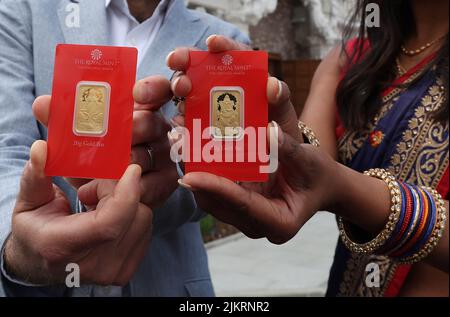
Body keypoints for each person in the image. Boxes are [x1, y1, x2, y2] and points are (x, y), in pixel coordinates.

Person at [168, 0, 449, 296]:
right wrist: (272, 149)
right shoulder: (350, 60)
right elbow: (307, 158)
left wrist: (348, 190)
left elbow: (325, 176)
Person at [0, 0, 249, 296]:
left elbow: (223, 171)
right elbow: (7, 144)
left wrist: (172, 178)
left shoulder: (224, 41)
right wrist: (16, 241)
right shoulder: (25, 8)